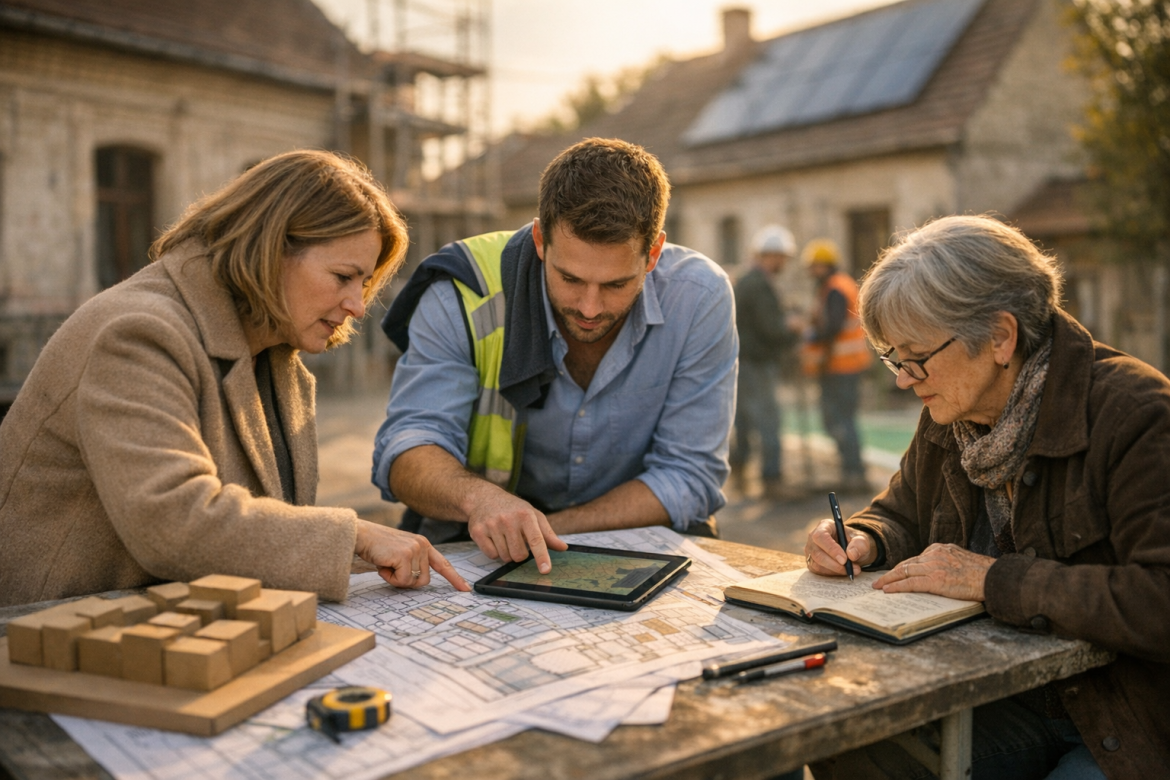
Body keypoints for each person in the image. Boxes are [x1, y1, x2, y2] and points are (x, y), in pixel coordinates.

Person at [0, 150, 469, 608]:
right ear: (269, 250)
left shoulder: (275, 352)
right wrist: (356, 534)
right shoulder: (139, 332)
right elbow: (173, 522)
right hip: (44, 640)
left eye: (363, 284)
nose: (357, 306)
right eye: (343, 276)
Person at [803, 215, 1170, 779]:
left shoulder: (1135, 412)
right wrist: (863, 538)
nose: (904, 378)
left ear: (1001, 337)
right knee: (848, 746)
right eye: (894, 358)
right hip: (1005, 693)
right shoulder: (951, 410)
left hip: (1124, 713)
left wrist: (993, 580)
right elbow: (901, 509)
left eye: (916, 357)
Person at [374, 138, 737, 573]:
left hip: (627, 542)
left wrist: (546, 530)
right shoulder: (463, 292)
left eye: (616, 285)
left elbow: (690, 475)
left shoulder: (699, 299)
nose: (589, 307)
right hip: (479, 546)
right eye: (569, 278)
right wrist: (482, 500)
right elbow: (407, 447)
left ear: (653, 253)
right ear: (540, 239)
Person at [731, 225, 801, 501]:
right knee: (768, 420)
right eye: (782, 257)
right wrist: (792, 327)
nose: (783, 263)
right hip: (757, 362)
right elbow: (770, 328)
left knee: (744, 420)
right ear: (770, 255)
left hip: (743, 360)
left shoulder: (748, 280)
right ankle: (772, 480)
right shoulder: (758, 284)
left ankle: (740, 473)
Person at [801, 238, 871, 493]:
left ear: (824, 265)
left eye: (813, 266)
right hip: (843, 366)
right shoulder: (837, 285)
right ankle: (852, 470)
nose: (810, 272)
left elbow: (831, 327)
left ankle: (854, 472)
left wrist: (808, 335)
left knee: (840, 419)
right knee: (841, 419)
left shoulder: (834, 289)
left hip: (841, 367)